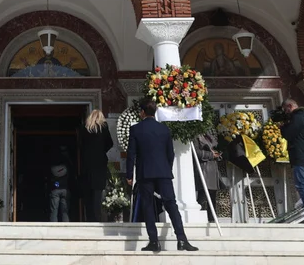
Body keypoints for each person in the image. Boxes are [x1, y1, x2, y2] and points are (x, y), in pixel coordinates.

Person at [126, 99, 198, 253]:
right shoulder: (164, 129)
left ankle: (154, 241)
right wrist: (166, 168)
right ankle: (182, 239)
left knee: (148, 207)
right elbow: (170, 153)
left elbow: (131, 154)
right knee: (171, 205)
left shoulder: (136, 129)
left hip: (145, 173)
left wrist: (129, 175)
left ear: (143, 112)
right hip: (164, 173)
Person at [78, 109, 113, 222]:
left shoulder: (84, 129)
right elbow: (110, 143)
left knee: (87, 194)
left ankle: (89, 218)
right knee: (97, 194)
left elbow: (80, 145)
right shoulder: (104, 127)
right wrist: (102, 151)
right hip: (99, 165)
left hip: (87, 165)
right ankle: (97, 218)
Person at [195, 131, 221, 223]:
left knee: (212, 195)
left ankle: (212, 218)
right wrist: (210, 155)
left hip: (212, 169)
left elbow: (215, 147)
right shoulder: (196, 136)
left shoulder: (209, 136)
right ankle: (198, 218)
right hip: (203, 169)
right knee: (203, 194)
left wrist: (217, 154)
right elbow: (196, 152)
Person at [48, 145, 72, 222]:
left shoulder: (52, 163)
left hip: (55, 189)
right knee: (65, 212)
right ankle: (66, 228)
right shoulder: (67, 163)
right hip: (65, 189)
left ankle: (53, 229)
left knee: (54, 212)